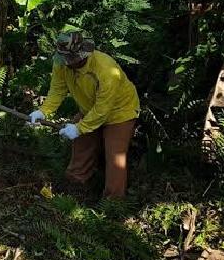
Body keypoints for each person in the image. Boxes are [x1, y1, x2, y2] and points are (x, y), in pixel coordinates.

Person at [28, 32, 140, 199]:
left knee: (115, 157)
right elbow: (57, 90)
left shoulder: (106, 69)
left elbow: (103, 109)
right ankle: (74, 186)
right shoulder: (61, 64)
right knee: (81, 145)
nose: (66, 63)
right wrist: (43, 111)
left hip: (119, 113)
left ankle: (113, 203)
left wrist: (80, 128)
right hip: (89, 109)